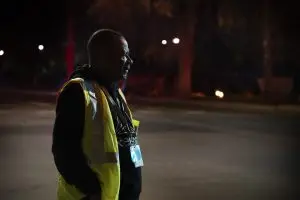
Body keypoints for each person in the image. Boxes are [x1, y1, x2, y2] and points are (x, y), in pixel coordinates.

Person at [52, 29, 143, 200]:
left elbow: (127, 142)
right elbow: (64, 152)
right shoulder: (78, 91)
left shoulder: (116, 93)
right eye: (124, 55)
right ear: (103, 56)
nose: (130, 61)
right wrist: (92, 190)